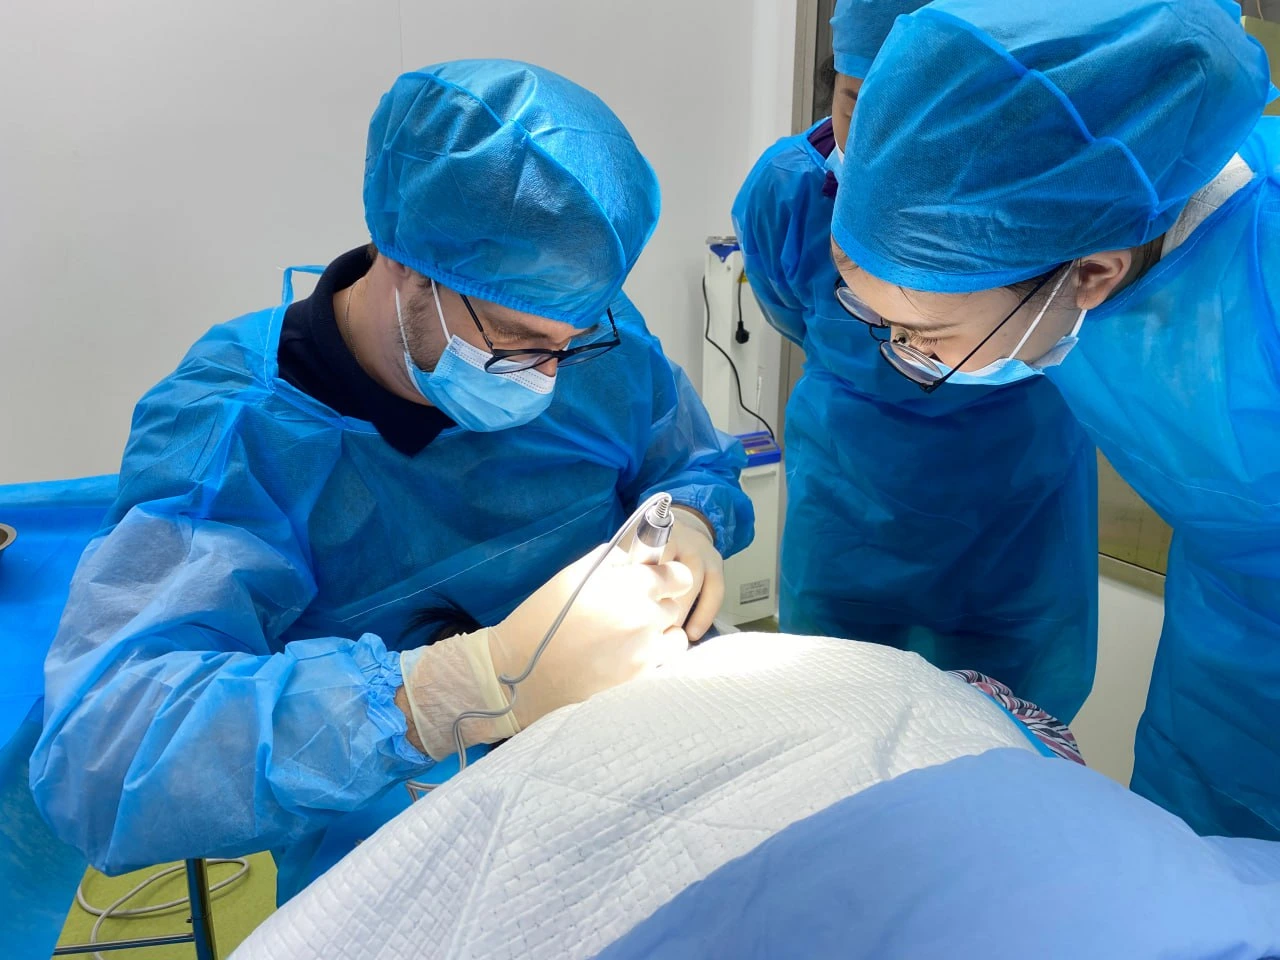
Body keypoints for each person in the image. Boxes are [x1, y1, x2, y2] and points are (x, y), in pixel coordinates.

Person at [30, 59, 754, 902]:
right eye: (518, 341)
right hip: (406, 849)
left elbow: (685, 458)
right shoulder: (240, 429)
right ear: (409, 267)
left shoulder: (578, 325)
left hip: (640, 772)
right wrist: (457, 688)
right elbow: (105, 753)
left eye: (574, 340)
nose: (553, 376)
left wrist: (692, 519)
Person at [830, 0, 1279, 839]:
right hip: (1221, 654)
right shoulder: (1070, 227)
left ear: (1096, 275)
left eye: (929, 337)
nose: (907, 356)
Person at [730, 0, 1097, 721]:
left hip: (1016, 533)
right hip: (849, 520)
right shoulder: (792, 193)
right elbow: (786, 310)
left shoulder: (1059, 213)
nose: (883, 148)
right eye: (858, 104)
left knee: (1003, 757)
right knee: (830, 732)